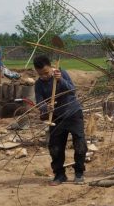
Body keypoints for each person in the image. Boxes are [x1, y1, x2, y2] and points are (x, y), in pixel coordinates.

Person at [33, 54, 87, 185]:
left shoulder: (61, 73)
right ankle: (59, 175)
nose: (44, 76)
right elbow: (39, 102)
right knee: (55, 147)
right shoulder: (39, 84)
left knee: (80, 145)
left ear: (51, 67)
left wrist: (61, 80)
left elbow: (72, 90)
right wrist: (46, 107)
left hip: (73, 113)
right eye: (41, 74)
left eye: (46, 72)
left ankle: (79, 173)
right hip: (56, 117)